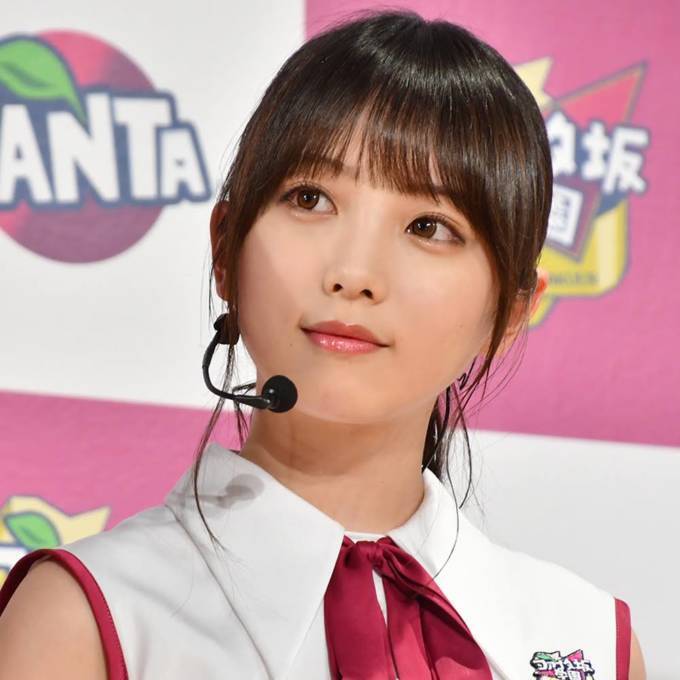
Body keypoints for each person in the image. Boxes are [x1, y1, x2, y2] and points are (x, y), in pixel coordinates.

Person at [0, 8, 646, 679]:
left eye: (429, 226)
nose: (354, 274)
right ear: (225, 249)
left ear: (510, 313)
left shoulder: (587, 641)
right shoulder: (88, 617)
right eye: (310, 199)